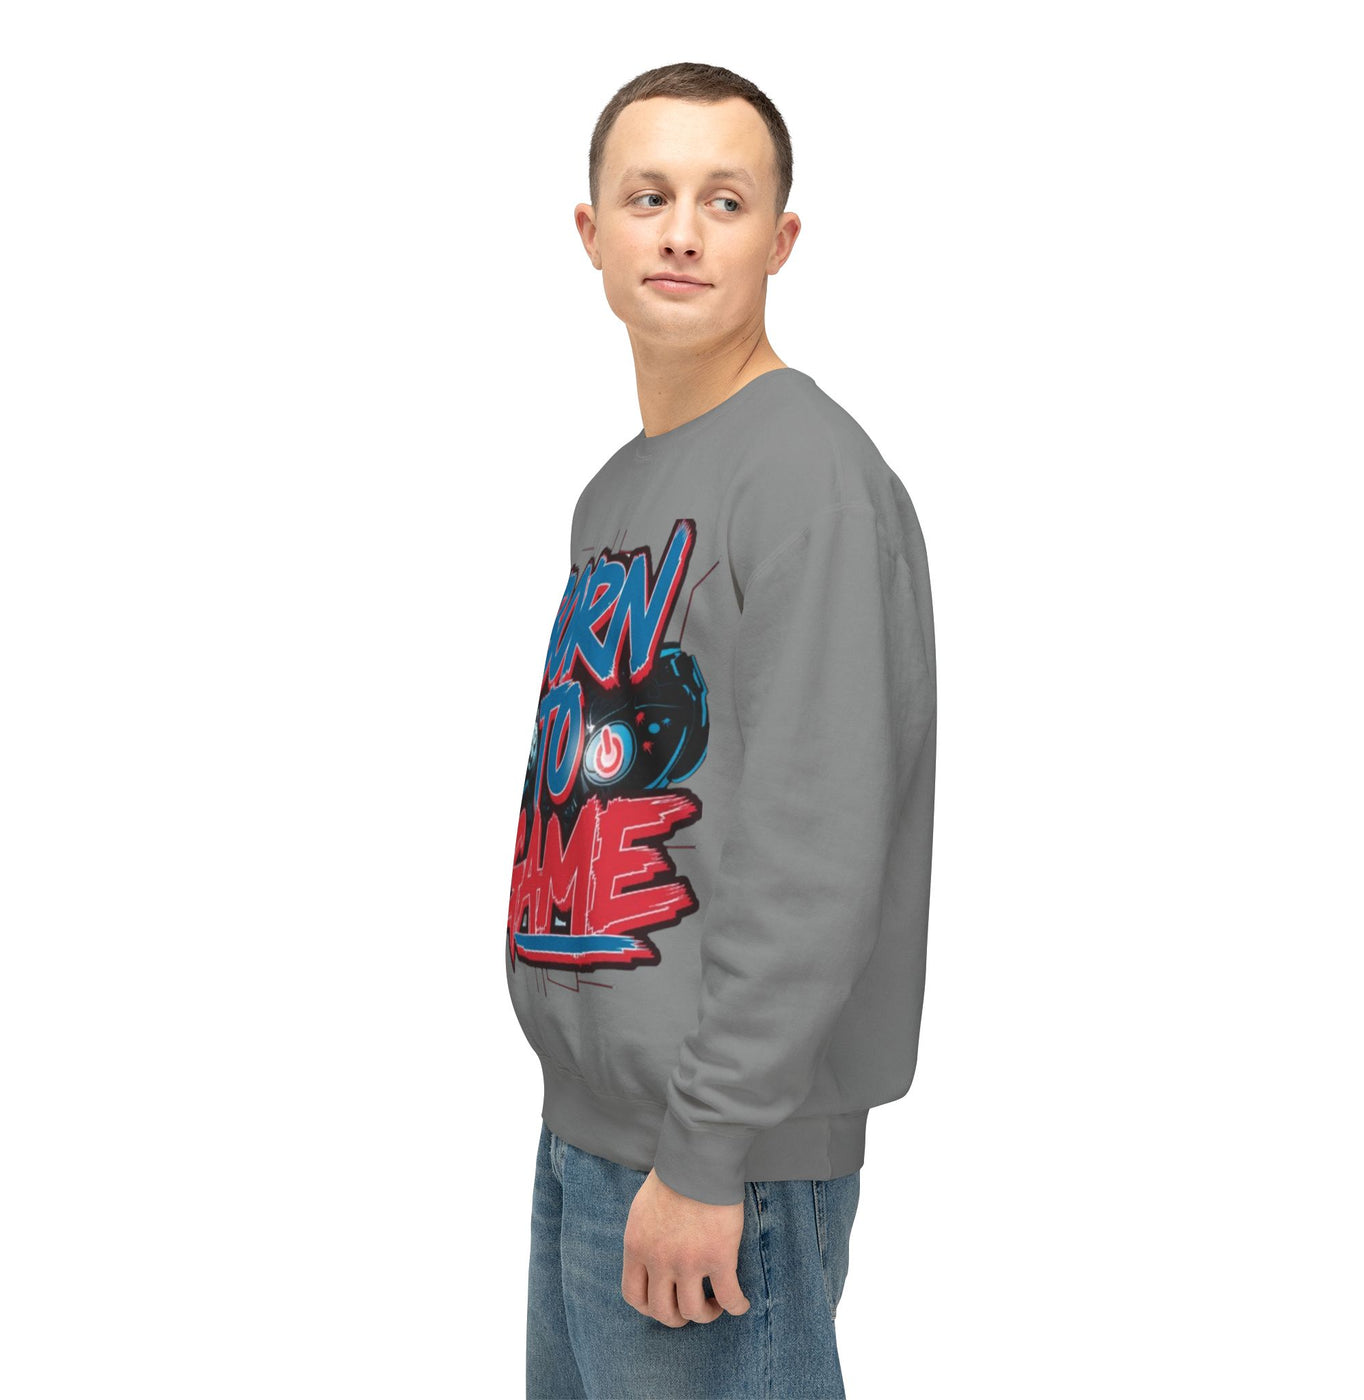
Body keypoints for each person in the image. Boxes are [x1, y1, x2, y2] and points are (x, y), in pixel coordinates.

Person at [505, 61, 937, 1399]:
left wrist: (706, 1153)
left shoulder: (808, 477)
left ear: (780, 239)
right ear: (591, 233)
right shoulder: (617, 492)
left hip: (718, 1163)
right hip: (595, 1137)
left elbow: (816, 853)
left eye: (725, 200)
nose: (683, 232)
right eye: (649, 197)